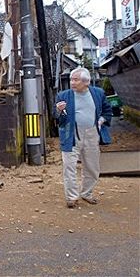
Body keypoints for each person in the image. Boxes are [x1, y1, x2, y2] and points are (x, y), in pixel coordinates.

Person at [54, 67, 112, 208]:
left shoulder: (98, 93)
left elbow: (107, 110)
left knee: (92, 166)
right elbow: (59, 119)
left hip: (92, 132)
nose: (72, 83)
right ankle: (72, 197)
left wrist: (101, 120)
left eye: (76, 80)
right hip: (71, 134)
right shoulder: (64, 95)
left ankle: (87, 192)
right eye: (71, 80)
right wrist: (60, 111)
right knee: (69, 166)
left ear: (86, 82)